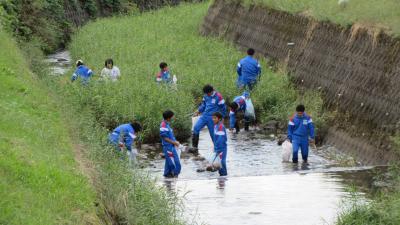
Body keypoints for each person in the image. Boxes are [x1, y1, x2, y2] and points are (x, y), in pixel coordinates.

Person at [192, 84, 227, 151]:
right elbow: (204, 105)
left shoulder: (218, 96)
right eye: (206, 93)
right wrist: (198, 110)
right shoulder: (205, 96)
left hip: (213, 118)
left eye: (208, 93)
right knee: (196, 128)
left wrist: (222, 118)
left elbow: (223, 108)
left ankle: (218, 151)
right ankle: (195, 148)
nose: (207, 95)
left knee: (213, 135)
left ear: (212, 91)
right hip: (204, 116)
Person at [160, 110, 181, 178]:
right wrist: (174, 142)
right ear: (169, 118)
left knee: (168, 162)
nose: (173, 118)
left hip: (171, 146)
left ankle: (167, 175)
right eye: (172, 117)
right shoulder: (163, 125)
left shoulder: (167, 124)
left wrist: (176, 142)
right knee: (175, 163)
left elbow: (170, 136)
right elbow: (165, 138)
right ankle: (175, 175)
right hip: (168, 147)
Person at [212, 112, 228, 176]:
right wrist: (215, 148)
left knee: (222, 162)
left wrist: (218, 150)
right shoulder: (215, 126)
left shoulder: (221, 127)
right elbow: (216, 138)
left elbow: (221, 139)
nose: (213, 119)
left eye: (215, 118)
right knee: (218, 162)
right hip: (217, 148)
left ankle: (224, 176)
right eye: (212, 118)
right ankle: (222, 177)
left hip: (222, 148)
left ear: (219, 119)